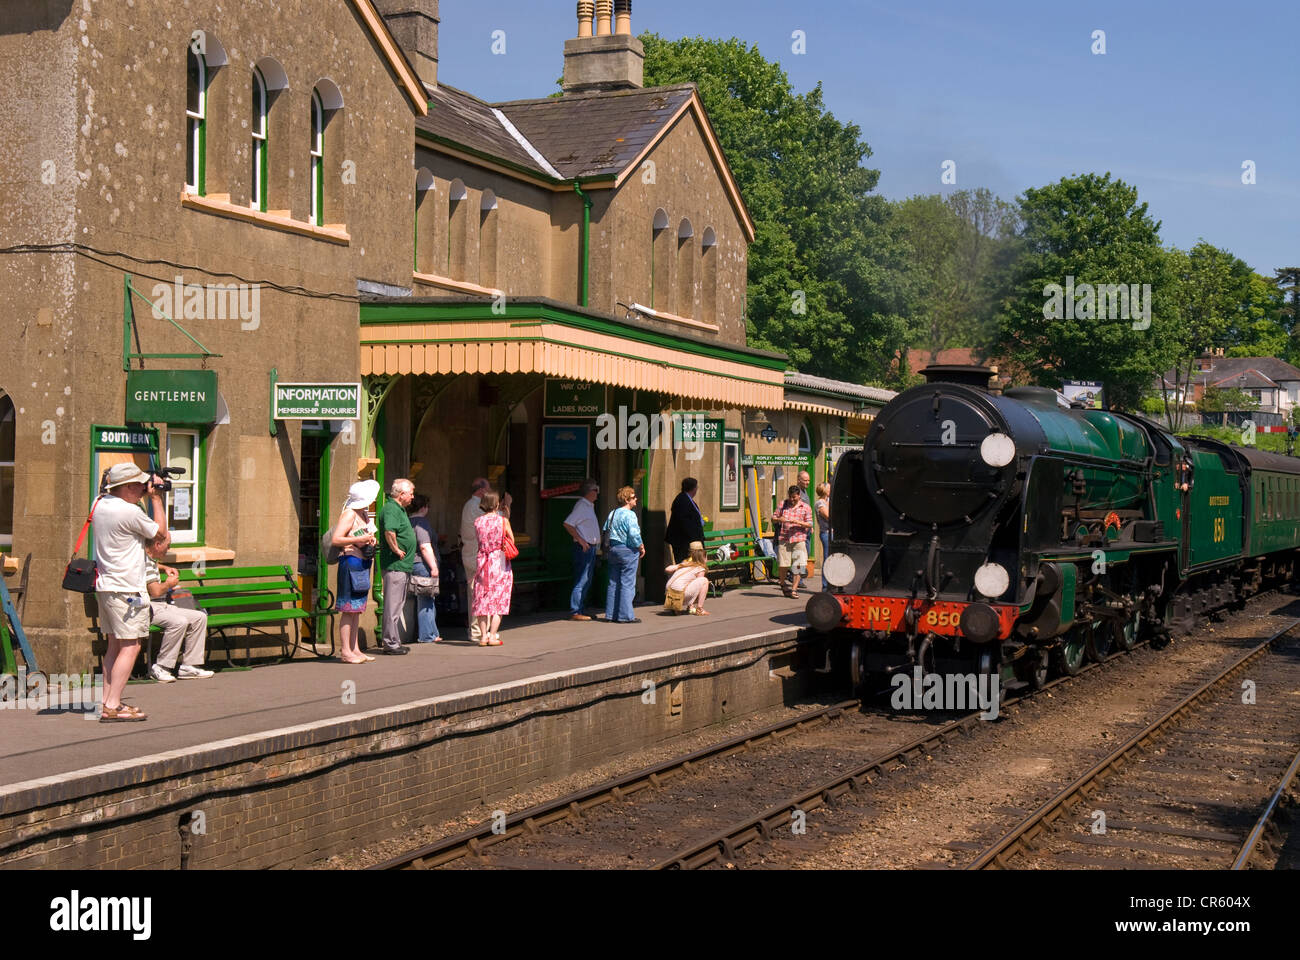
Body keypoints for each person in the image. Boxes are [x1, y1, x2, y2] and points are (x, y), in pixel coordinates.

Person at [93, 462, 171, 722]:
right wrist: (157, 499)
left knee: (114, 645)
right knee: (131, 645)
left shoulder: (100, 504)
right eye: (138, 484)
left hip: (106, 586)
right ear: (126, 486)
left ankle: (106, 701)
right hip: (127, 588)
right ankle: (113, 704)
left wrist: (145, 491)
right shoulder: (128, 512)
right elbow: (160, 535)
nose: (142, 488)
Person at [331, 479, 380, 665]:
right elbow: (337, 539)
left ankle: (355, 649)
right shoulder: (349, 514)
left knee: (357, 609)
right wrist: (358, 539)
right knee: (348, 609)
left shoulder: (364, 514)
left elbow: (366, 534)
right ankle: (345, 651)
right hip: (350, 561)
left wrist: (370, 539)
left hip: (362, 561)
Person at [144, 549, 213, 682]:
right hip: (148, 607)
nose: (168, 549)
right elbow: (156, 592)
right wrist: (169, 584)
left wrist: (165, 568)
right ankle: (161, 667)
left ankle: (189, 666)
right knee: (179, 621)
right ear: (157, 545)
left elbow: (152, 565)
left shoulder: (148, 559)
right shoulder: (141, 558)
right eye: (167, 545)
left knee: (199, 617)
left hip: (162, 605)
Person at [378, 478, 416, 656]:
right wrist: (396, 549)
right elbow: (389, 531)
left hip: (402, 566)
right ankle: (390, 643)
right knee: (392, 605)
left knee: (397, 605)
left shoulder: (398, 509)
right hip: (395, 565)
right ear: (401, 495)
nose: (412, 497)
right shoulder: (391, 509)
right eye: (411, 493)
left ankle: (394, 640)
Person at [472, 491, 514, 645]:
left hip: (483, 561)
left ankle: (482, 636)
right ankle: (492, 635)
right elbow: (511, 540)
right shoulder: (503, 521)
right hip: (499, 562)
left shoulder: (477, 521)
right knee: (499, 598)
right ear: (497, 504)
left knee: (482, 598)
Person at [603, 486, 645, 624]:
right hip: (627, 550)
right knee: (627, 583)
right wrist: (641, 546)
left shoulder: (613, 513)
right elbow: (633, 534)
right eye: (633, 497)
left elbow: (605, 529)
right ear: (627, 500)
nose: (636, 499)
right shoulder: (630, 514)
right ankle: (625, 616)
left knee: (613, 582)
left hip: (613, 549)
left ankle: (610, 615)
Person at [562, 479, 601, 621]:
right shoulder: (582, 506)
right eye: (596, 490)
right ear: (590, 492)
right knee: (582, 579)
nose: (598, 493)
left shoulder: (589, 506)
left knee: (587, 579)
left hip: (591, 547)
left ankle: (581, 609)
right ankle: (575, 610)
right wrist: (581, 540)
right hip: (584, 548)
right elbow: (568, 523)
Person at [407, 493, 440, 643]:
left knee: (426, 598)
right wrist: (433, 566)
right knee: (426, 599)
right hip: (423, 564)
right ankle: (427, 635)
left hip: (412, 563)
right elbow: (425, 546)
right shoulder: (421, 522)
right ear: (423, 507)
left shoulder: (408, 521)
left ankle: (432, 632)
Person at [775, 483, 813, 600]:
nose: (791, 499)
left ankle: (794, 589)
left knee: (798, 565)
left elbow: (810, 523)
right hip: (784, 539)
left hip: (799, 539)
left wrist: (798, 522)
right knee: (783, 565)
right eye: (790, 497)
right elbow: (774, 517)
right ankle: (782, 583)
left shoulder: (806, 507)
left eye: (794, 497)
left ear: (799, 496)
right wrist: (779, 519)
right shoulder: (783, 504)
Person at [664, 477, 704, 566]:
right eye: (696, 487)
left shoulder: (687, 499)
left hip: (688, 541)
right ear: (693, 488)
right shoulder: (682, 500)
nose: (697, 489)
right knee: (684, 565)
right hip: (683, 542)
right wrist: (695, 539)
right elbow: (684, 523)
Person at [664, 541, 710, 616]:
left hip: (668, 592)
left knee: (687, 582)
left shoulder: (684, 563)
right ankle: (699, 609)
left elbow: (667, 569)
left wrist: (678, 567)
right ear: (703, 557)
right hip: (680, 594)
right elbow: (698, 588)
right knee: (704, 581)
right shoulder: (700, 568)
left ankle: (676, 607)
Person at [814, 482, 832, 590]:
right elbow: (829, 517)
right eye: (829, 488)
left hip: (832, 533)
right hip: (825, 533)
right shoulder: (819, 503)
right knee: (826, 558)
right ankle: (825, 586)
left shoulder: (828, 501)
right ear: (825, 490)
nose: (831, 490)